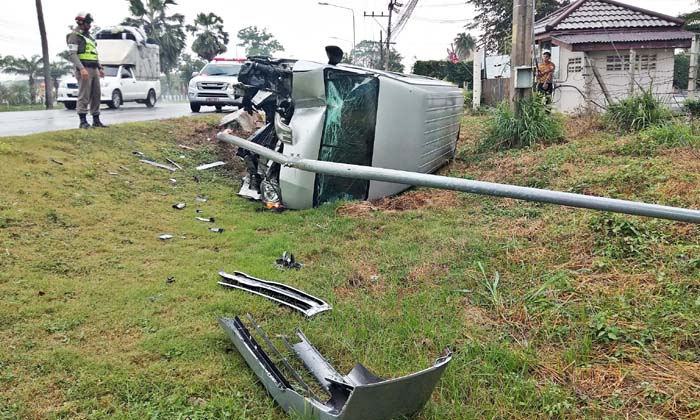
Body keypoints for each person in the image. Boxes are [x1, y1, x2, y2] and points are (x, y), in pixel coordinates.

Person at [66, 12, 107, 129]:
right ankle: (83, 121)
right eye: (88, 23)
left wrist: (100, 68)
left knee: (96, 94)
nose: (90, 25)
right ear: (81, 22)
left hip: (94, 69)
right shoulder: (74, 36)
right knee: (84, 94)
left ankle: (96, 120)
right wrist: (81, 69)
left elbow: (94, 54)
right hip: (84, 68)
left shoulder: (90, 38)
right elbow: (72, 54)